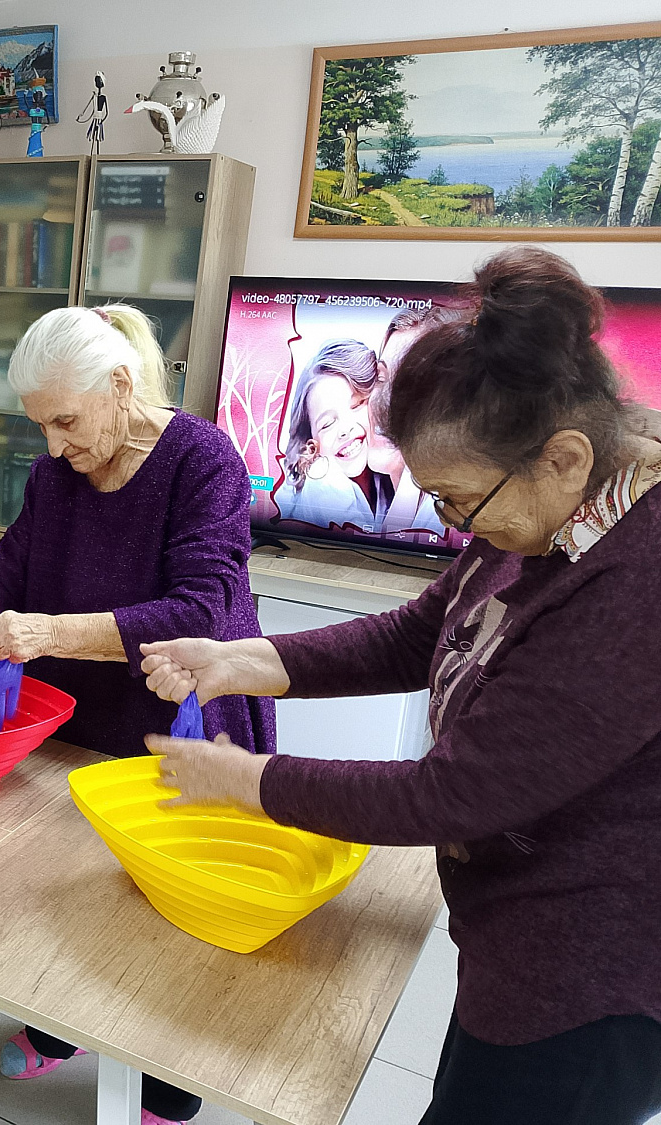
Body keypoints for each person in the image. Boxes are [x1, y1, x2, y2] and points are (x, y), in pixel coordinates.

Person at [140, 247, 661, 1125]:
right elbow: (423, 629)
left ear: (565, 458)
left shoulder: (635, 579)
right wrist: (247, 659)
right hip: (518, 929)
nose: (453, 524)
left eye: (458, 501)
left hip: (599, 967)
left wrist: (246, 781)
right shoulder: (547, 509)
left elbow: (455, 792)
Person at [0, 304, 275, 1125]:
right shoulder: (59, 471)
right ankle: (64, 1029)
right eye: (41, 426)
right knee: (75, 885)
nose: (53, 445)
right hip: (89, 710)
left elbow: (198, 610)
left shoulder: (205, 462)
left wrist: (50, 632)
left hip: (188, 714)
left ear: (120, 385)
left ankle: (166, 1079)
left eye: (64, 420)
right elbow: (10, 567)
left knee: (172, 911)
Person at [274, 339, 390, 531]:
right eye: (327, 424)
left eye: (357, 405)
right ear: (310, 442)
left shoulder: (379, 475)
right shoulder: (324, 478)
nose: (344, 430)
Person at [369, 306, 466, 536]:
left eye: (408, 384)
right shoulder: (366, 501)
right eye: (381, 378)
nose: (385, 401)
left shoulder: (453, 521)